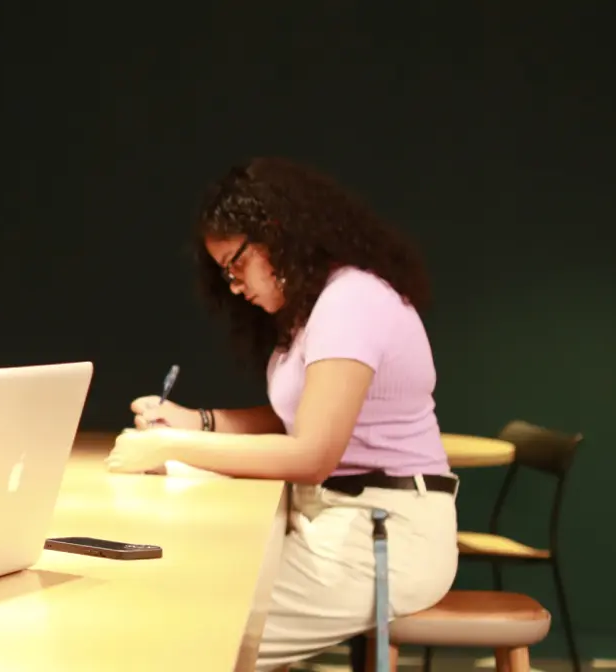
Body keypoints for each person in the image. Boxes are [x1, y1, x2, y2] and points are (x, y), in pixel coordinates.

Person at [105, 158, 458, 670]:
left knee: (197, 633)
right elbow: (297, 418)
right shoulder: (319, 307)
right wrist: (198, 421)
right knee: (188, 603)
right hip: (340, 519)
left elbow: (312, 453)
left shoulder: (350, 302)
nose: (231, 285)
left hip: (383, 535)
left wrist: (170, 446)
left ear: (274, 235)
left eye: (234, 264)